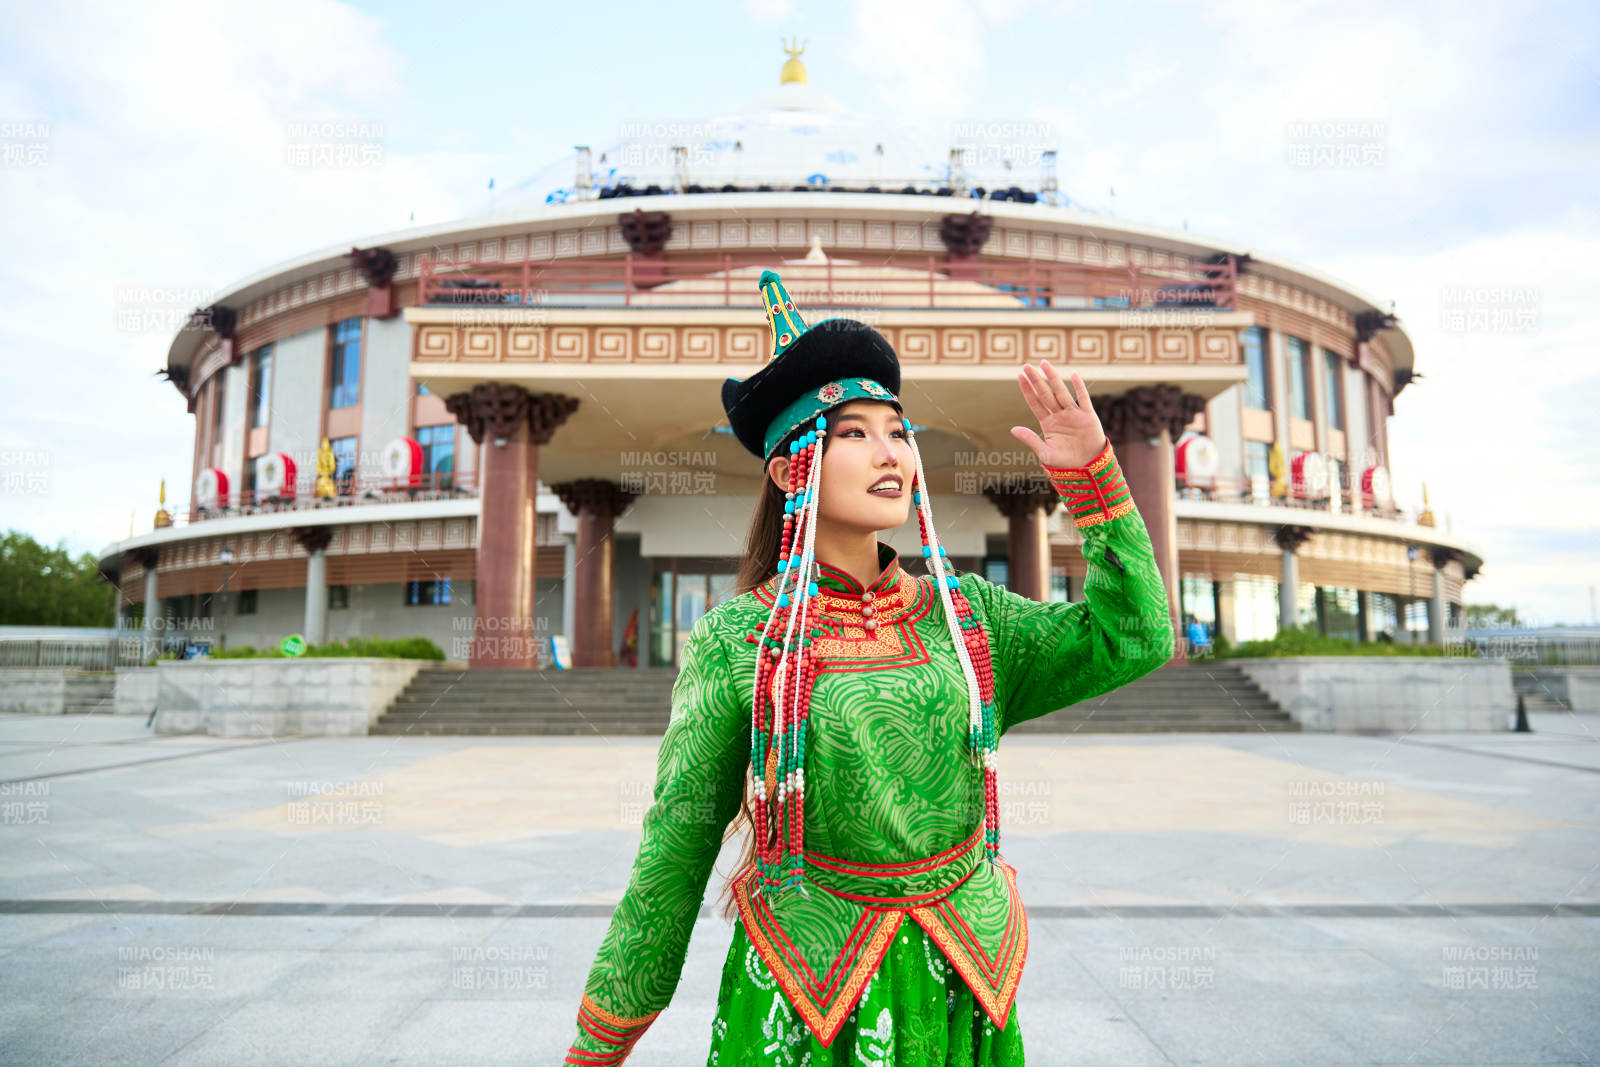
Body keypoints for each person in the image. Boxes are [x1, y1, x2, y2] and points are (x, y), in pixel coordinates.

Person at [564, 270, 1175, 1064]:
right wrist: (600, 1040)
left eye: (898, 430)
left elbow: (1137, 636)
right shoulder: (737, 641)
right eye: (853, 433)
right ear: (790, 469)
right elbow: (675, 849)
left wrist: (1093, 482)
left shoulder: (968, 618)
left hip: (963, 981)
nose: (891, 453)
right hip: (806, 998)